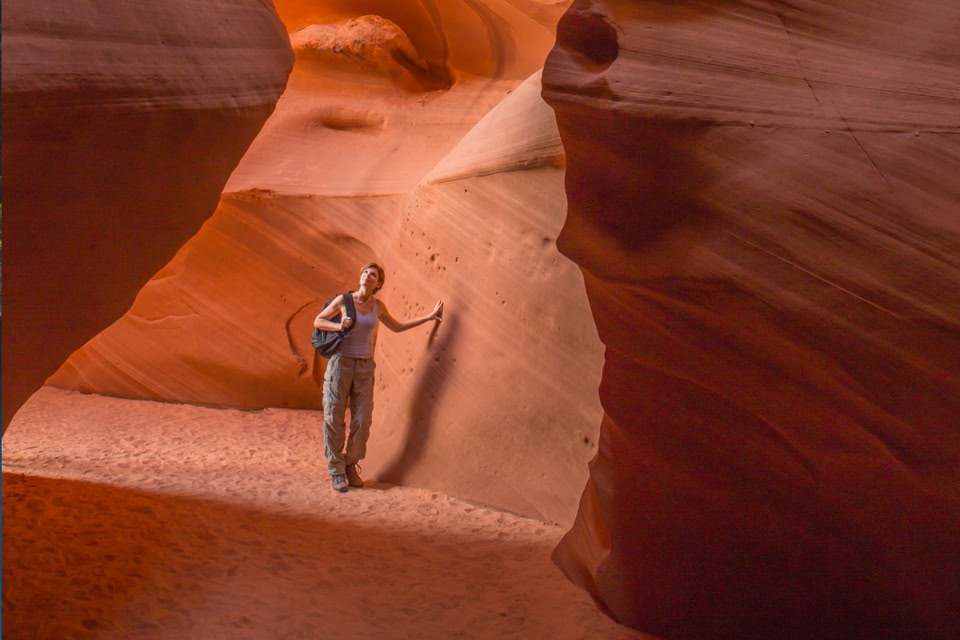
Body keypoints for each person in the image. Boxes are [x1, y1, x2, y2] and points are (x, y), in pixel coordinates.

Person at [313, 262, 443, 493]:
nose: (367, 276)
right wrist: (339, 326)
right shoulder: (344, 300)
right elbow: (319, 320)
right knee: (334, 416)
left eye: (372, 275)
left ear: (378, 283)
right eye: (365, 272)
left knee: (362, 420)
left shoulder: (377, 306)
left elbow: (397, 326)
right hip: (341, 363)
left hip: (364, 367)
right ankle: (336, 471)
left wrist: (429, 317)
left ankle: (350, 464)